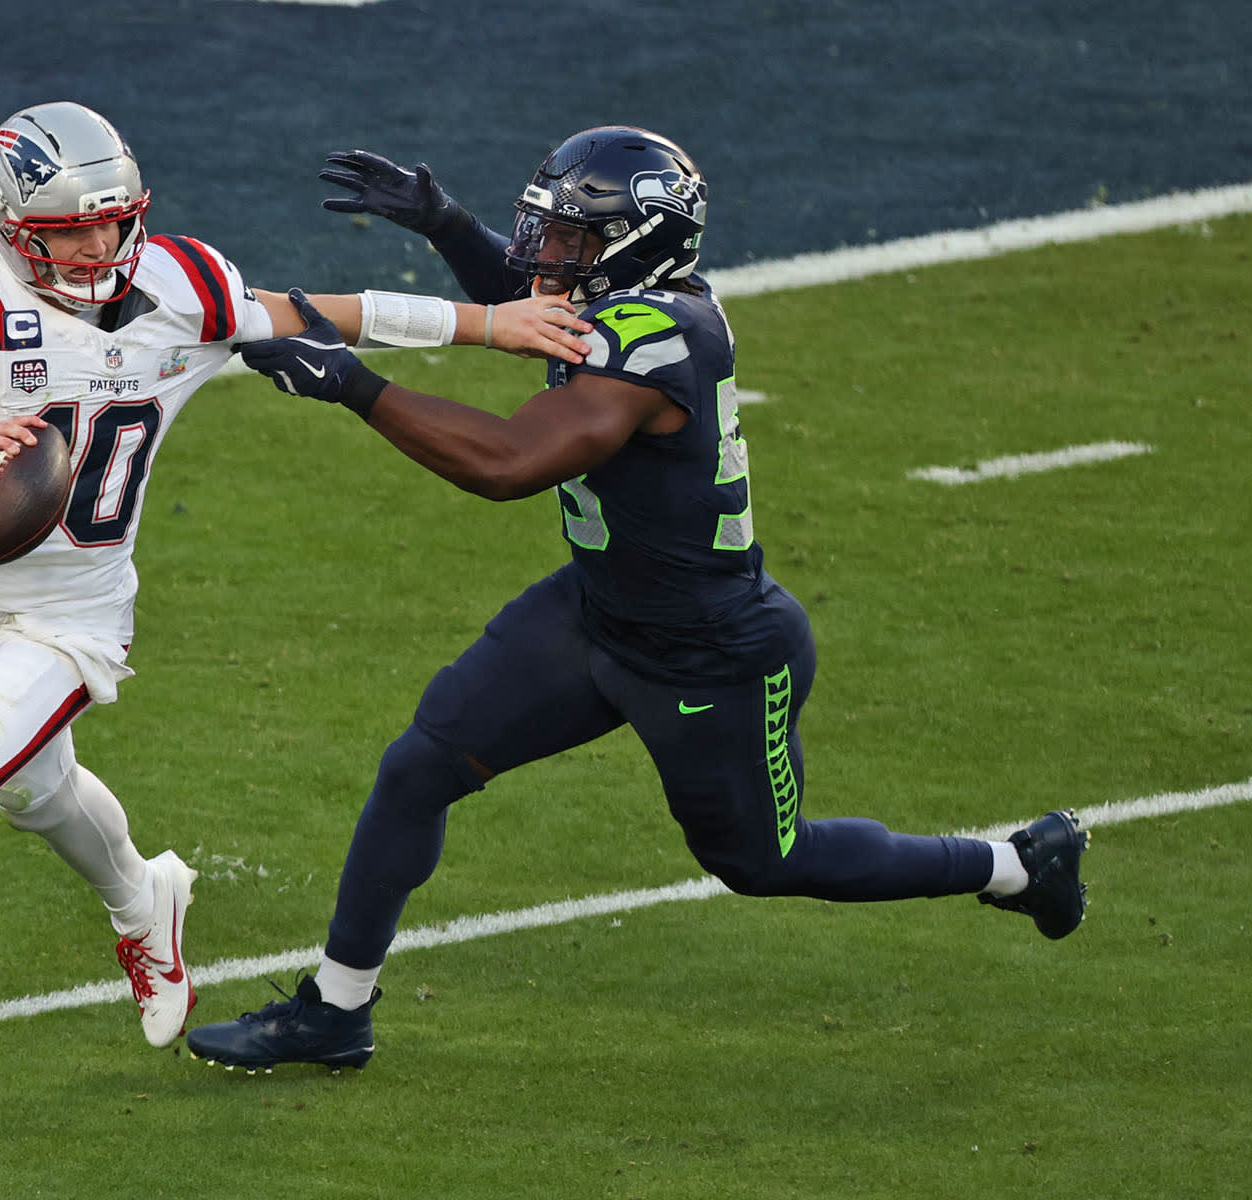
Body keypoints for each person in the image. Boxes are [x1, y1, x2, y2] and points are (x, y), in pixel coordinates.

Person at [184, 126, 1090, 1073]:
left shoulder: (659, 336)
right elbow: (535, 309)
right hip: (599, 608)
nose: (543, 254)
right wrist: (447, 224)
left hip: (708, 648)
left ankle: (1017, 865)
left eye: (570, 238)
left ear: (637, 244)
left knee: (763, 862)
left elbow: (510, 463)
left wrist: (352, 383)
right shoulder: (630, 303)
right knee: (420, 768)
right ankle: (336, 1011)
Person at [0, 101, 589, 1104]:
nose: (98, 249)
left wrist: (489, 324)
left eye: (113, 222)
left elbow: (324, 313)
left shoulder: (183, 287)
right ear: (10, 226)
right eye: (68, 232)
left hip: (74, 621)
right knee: (34, 792)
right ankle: (146, 902)